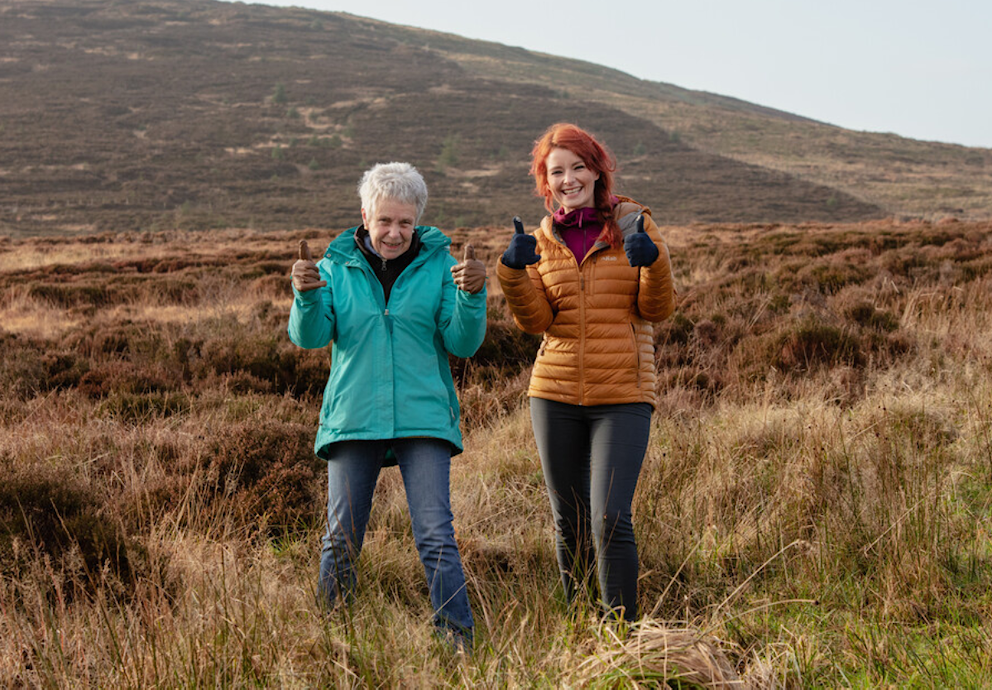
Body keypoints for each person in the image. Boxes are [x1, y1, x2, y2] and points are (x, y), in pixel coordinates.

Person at [288, 162, 486, 647]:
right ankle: (332, 639)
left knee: (436, 534)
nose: (394, 233)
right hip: (353, 417)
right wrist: (306, 296)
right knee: (340, 537)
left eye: (404, 222)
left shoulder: (442, 266)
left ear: (417, 219)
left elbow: (462, 344)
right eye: (384, 221)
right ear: (365, 216)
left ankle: (458, 642)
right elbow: (309, 337)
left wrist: (473, 296)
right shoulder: (335, 265)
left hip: (423, 417)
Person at [496, 123, 676, 622]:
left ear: (597, 170)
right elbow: (537, 322)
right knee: (569, 522)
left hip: (623, 394)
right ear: (545, 182)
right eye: (557, 172)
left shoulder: (635, 222)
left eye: (578, 167)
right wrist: (512, 273)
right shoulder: (542, 238)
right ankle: (580, 628)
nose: (569, 179)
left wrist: (653, 263)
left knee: (611, 517)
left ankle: (621, 634)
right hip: (553, 396)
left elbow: (657, 309)